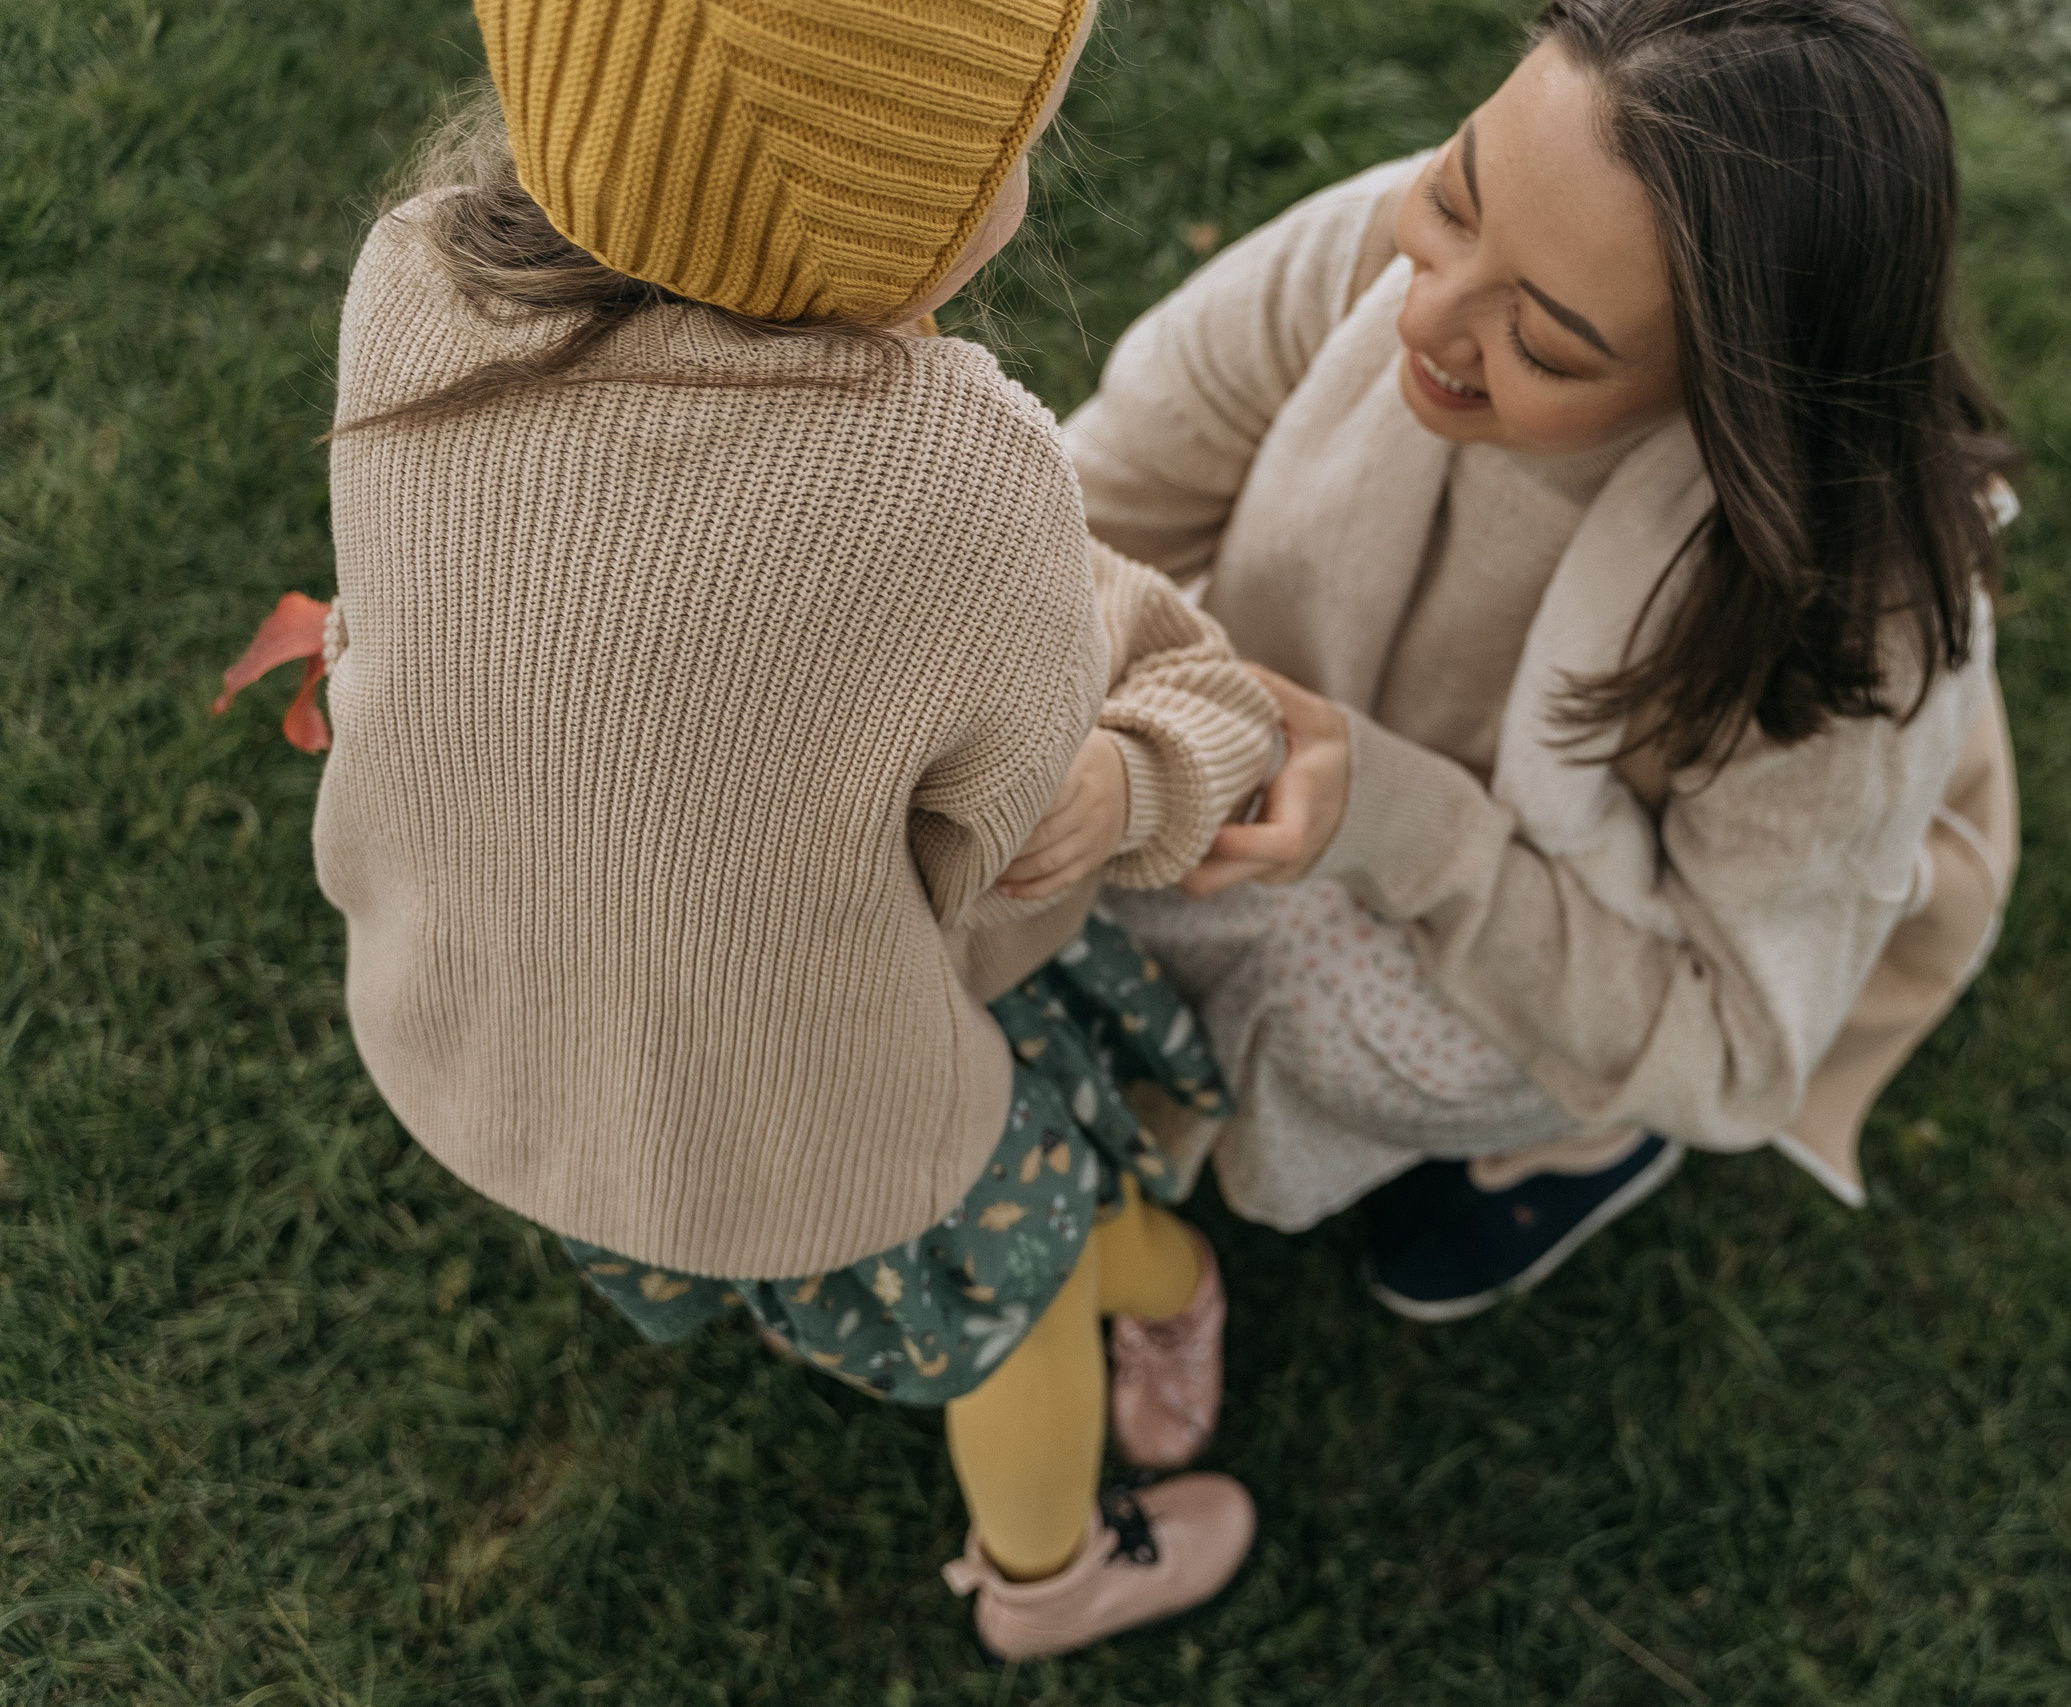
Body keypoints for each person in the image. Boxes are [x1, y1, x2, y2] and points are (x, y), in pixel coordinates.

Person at [228, 0, 1281, 1659]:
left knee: (740, 1171)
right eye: (1005, 140)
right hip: (815, 1104)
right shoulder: (953, 465)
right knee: (1033, 1279)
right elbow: (995, 846)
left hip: (494, 1044)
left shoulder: (417, 280)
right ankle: (1051, 1573)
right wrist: (1160, 764)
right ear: (904, 198)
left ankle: (932, 1293)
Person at [1070, 0, 2022, 1321]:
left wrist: (1401, 825)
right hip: (1314, 777)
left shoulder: (1845, 623)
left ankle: (1580, 1140)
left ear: (1730, 399)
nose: (1425, 320)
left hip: (1554, 907)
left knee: (1316, 998)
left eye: (1548, 342)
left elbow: (1731, 1043)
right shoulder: (1378, 256)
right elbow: (1082, 515)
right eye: (1454, 200)